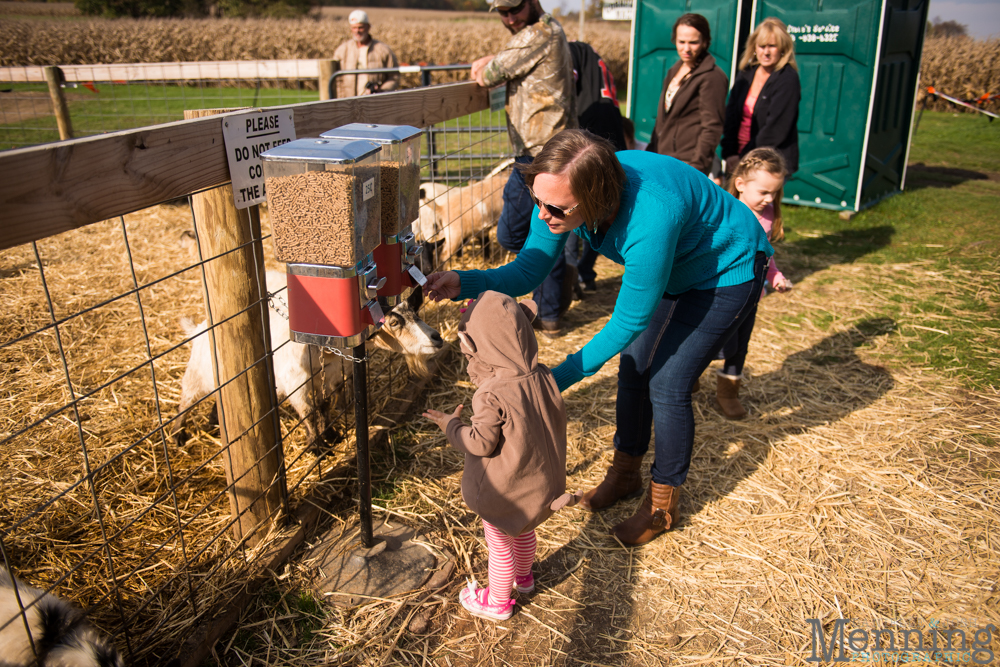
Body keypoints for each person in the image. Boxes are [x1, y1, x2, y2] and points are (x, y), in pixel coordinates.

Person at [424, 129, 774, 546]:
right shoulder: (565, 191)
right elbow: (529, 269)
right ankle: (624, 475)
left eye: (554, 208)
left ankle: (662, 507)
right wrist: (462, 281)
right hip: (676, 268)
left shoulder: (651, 217)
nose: (542, 215)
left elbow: (627, 322)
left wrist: (553, 381)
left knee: (667, 383)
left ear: (596, 198)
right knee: (634, 368)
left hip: (726, 269)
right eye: (537, 200)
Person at [423, 291, 570, 621]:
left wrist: (451, 425)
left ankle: (497, 602)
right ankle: (525, 577)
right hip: (536, 486)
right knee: (523, 530)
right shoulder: (543, 376)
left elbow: (480, 444)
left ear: (482, 348)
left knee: (499, 543)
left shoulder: (491, 394)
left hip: (504, 489)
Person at [470, 0, 577, 336]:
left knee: (517, 232)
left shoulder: (539, 32)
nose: (510, 18)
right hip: (538, 150)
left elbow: (488, 75)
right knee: (536, 231)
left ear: (532, 1)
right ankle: (551, 304)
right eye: (502, 12)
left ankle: (548, 305)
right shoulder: (543, 31)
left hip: (540, 154)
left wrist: (487, 63)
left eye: (514, 8)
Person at [714, 147, 793, 419]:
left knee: (741, 345)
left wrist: (774, 276)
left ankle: (728, 392)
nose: (769, 199)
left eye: (774, 193)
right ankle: (690, 376)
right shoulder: (723, 212)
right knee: (713, 341)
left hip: (751, 295)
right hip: (719, 295)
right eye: (763, 192)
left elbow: (765, 255)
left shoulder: (768, 216)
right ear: (740, 184)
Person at [566, 40, 627, 293]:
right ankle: (585, 272)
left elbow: (566, 82)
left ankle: (572, 278)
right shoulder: (593, 55)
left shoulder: (570, 52)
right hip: (612, 139)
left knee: (574, 212)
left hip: (591, 144)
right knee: (600, 212)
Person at [646, 13, 728, 176]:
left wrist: (697, 165)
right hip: (664, 157)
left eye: (693, 42)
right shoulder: (675, 70)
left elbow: (711, 126)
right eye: (681, 42)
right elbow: (664, 119)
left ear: (705, 42)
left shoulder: (712, 76)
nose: (686, 49)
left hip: (688, 162)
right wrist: (652, 151)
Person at [721, 17, 801, 176]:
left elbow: (776, 129)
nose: (766, 52)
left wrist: (746, 158)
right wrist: (730, 152)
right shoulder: (746, 73)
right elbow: (731, 115)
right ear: (754, 47)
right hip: (737, 156)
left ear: (783, 48)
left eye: (772, 46)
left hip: (768, 160)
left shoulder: (788, 79)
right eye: (762, 46)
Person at [331, 10, 400, 98]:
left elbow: (394, 77)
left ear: (368, 27)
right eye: (354, 28)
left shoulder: (383, 50)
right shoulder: (342, 51)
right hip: (348, 103)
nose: (357, 31)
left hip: (375, 103)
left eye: (360, 27)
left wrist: (382, 90)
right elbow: (336, 81)